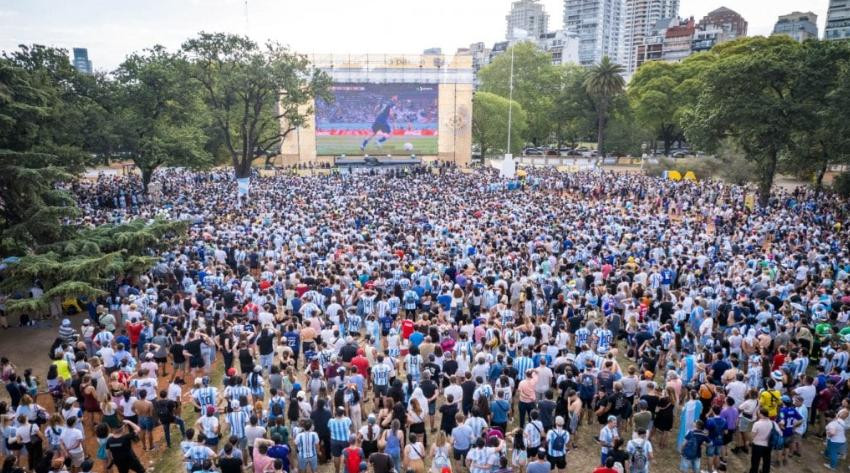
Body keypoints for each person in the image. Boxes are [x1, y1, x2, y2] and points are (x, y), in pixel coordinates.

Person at [749, 408, 774, 473]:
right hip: (768, 445)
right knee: (766, 461)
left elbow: (752, 435)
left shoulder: (757, 424)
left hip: (757, 445)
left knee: (755, 461)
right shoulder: (772, 423)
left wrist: (750, 442)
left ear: (761, 414)